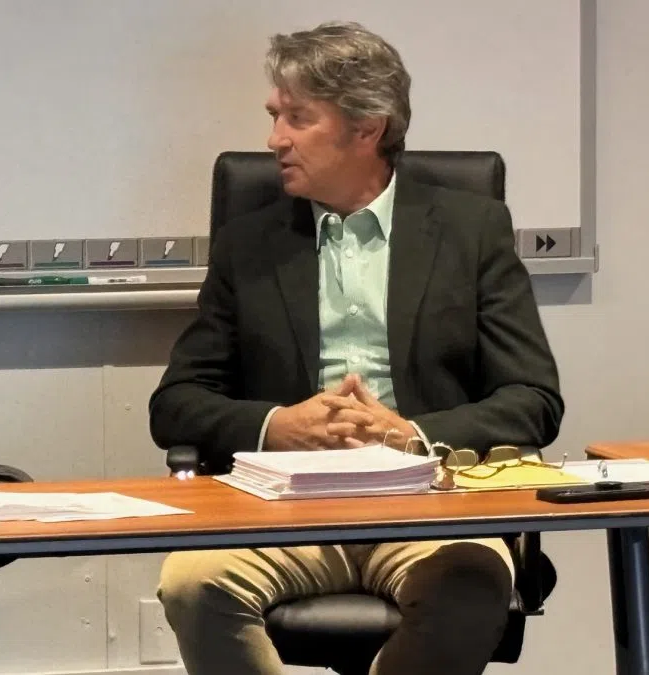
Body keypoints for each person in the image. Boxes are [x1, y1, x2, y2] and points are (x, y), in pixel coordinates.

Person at [149, 22, 563, 675]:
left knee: (472, 585)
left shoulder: (471, 231)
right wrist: (278, 425)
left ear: (367, 128)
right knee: (192, 584)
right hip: (287, 511)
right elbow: (175, 404)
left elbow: (533, 399)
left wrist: (411, 435)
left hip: (431, 506)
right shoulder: (248, 244)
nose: (274, 139)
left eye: (297, 118)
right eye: (275, 116)